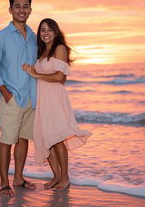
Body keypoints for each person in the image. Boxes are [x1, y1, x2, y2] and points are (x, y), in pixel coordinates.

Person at [22, 18, 92, 191]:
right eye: (43, 30)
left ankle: (65, 178)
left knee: (58, 138)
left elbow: (61, 78)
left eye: (50, 30)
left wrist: (35, 74)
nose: (46, 33)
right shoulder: (40, 51)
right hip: (42, 99)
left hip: (55, 99)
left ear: (56, 32)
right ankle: (56, 176)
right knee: (47, 138)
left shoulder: (59, 48)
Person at [0, 0, 37, 197]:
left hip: (31, 98)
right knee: (7, 140)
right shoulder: (0, 37)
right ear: (10, 10)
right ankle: (3, 182)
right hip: (12, 97)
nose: (22, 9)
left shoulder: (34, 36)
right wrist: (6, 93)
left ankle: (18, 178)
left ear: (30, 10)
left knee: (23, 139)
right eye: (18, 6)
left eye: (25, 6)